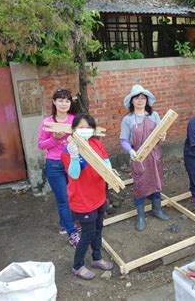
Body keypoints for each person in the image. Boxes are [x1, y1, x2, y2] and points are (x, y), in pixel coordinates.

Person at [62, 114, 114, 280]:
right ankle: (77, 266)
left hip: (98, 194)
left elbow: (106, 161)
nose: (85, 131)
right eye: (81, 127)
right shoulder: (69, 150)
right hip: (82, 199)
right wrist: (75, 156)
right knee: (88, 233)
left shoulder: (96, 143)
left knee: (99, 228)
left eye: (88, 128)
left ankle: (96, 258)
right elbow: (74, 174)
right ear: (73, 129)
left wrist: (110, 172)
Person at [120, 84, 169, 231]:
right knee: (140, 185)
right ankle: (141, 216)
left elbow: (161, 134)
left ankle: (157, 210)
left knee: (156, 182)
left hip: (154, 156)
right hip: (139, 158)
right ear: (132, 101)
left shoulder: (154, 116)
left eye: (143, 98)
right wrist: (130, 151)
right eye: (137, 98)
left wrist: (163, 136)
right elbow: (123, 140)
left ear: (147, 100)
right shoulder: (128, 120)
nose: (140, 100)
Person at [37, 89, 80, 247]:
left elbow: (82, 140)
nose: (64, 104)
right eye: (60, 100)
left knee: (73, 196)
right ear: (54, 102)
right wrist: (55, 139)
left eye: (67, 101)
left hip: (73, 162)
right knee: (64, 200)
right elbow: (41, 144)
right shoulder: (47, 122)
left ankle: (65, 223)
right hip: (55, 165)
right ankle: (72, 233)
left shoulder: (74, 120)